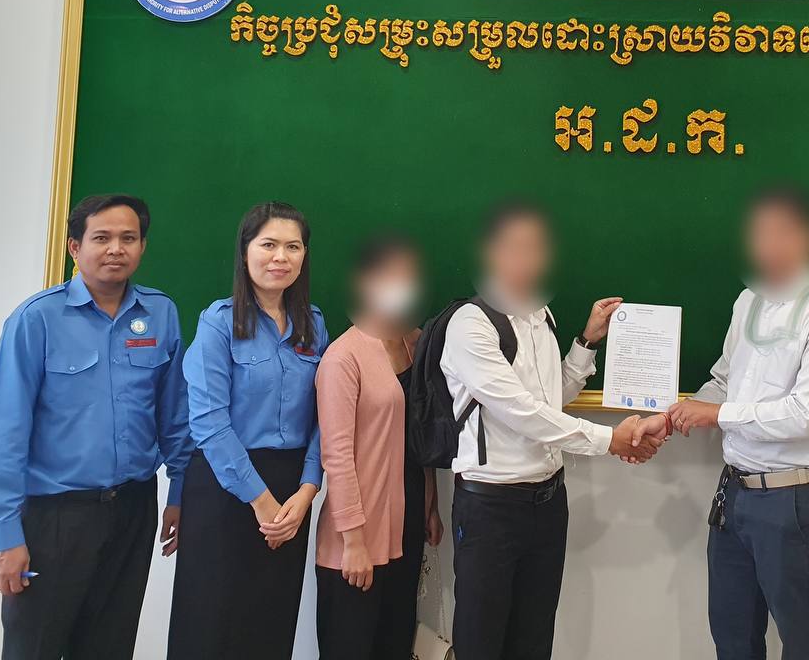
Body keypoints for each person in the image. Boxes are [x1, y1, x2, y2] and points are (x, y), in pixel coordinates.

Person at [440, 200, 666, 660]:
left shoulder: (541, 315)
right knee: (481, 640)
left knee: (534, 637)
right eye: (515, 247)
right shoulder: (471, 324)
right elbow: (520, 412)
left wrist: (587, 341)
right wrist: (609, 440)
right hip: (491, 507)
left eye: (536, 248)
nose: (527, 259)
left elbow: (547, 403)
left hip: (547, 502)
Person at [0, 194, 190, 660]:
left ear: (142, 246)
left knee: (109, 646)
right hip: (54, 517)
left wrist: (180, 491)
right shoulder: (37, 319)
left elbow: (174, 415)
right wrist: (5, 537)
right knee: (34, 647)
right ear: (75, 247)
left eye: (128, 238)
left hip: (133, 508)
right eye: (102, 238)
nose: (116, 248)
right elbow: (6, 434)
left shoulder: (161, 314)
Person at [665, 187, 809, 660]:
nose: (767, 247)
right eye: (759, 235)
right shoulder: (748, 301)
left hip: (793, 500)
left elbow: (806, 415)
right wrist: (674, 415)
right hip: (734, 493)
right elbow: (724, 379)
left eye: (780, 234)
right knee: (732, 635)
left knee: (802, 641)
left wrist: (717, 414)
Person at [167, 201, 329, 660]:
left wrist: (307, 490)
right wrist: (262, 502)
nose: (281, 257)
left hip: (291, 491)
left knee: (269, 623)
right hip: (226, 488)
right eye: (269, 244)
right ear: (245, 251)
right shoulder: (218, 323)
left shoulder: (314, 324)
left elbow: (326, 417)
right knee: (210, 626)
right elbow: (209, 422)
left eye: (293, 247)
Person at [315, 234, 443, 659]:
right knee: (351, 645)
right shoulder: (343, 357)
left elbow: (421, 435)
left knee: (395, 642)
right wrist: (353, 541)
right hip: (359, 531)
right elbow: (336, 456)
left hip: (407, 520)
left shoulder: (417, 343)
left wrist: (431, 504)